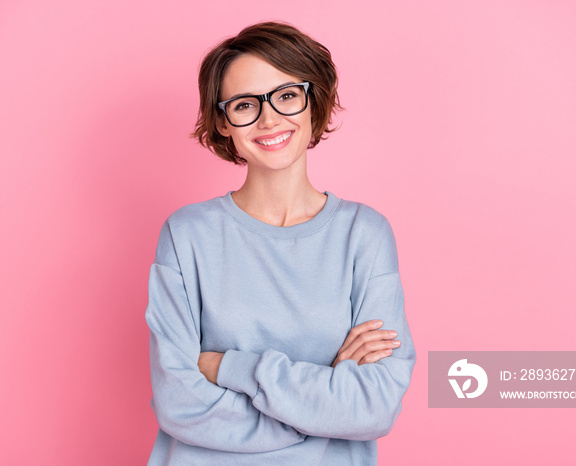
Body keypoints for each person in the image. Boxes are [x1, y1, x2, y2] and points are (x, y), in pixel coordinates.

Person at [145, 21, 416, 465]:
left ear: (315, 102)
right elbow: (180, 403)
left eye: (287, 95)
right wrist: (325, 398)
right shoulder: (187, 235)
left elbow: (374, 407)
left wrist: (229, 367)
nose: (269, 118)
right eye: (245, 104)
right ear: (223, 121)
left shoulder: (364, 235)